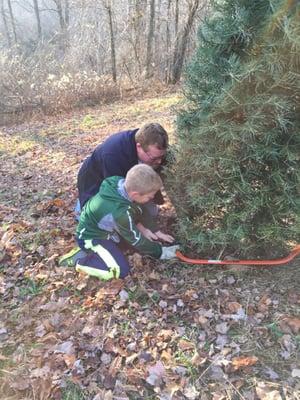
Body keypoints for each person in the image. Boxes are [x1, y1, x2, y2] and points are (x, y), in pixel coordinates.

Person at [75, 164, 179, 280]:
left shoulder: (119, 183)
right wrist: (160, 252)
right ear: (135, 194)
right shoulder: (120, 214)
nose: (150, 200)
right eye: (149, 197)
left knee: (130, 247)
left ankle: (105, 250)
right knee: (121, 270)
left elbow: (140, 209)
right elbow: (136, 240)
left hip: (109, 231)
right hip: (91, 238)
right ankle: (81, 262)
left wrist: (155, 230)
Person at [77, 123, 168, 211]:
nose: (159, 161)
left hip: (126, 182)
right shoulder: (114, 157)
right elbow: (115, 193)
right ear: (139, 146)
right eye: (154, 158)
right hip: (96, 183)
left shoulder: (154, 144)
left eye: (161, 157)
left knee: (151, 212)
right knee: (108, 220)